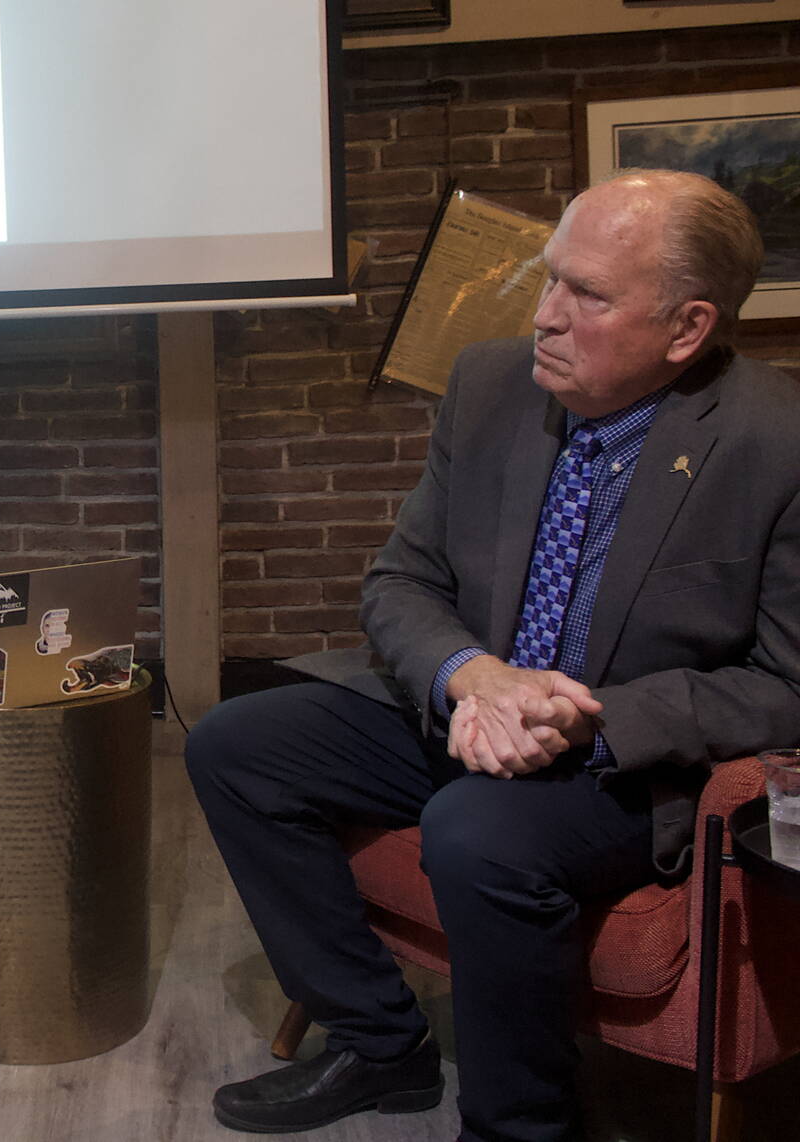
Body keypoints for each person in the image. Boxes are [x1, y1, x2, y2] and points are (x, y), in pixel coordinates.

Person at [186, 168, 800, 1142]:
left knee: (476, 829)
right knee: (234, 742)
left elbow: (785, 683)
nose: (544, 315)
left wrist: (590, 718)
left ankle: (518, 1126)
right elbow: (399, 581)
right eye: (547, 278)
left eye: (585, 294)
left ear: (685, 328)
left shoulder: (777, 442)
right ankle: (379, 1042)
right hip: (465, 704)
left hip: (615, 756)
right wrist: (471, 677)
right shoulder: (486, 383)